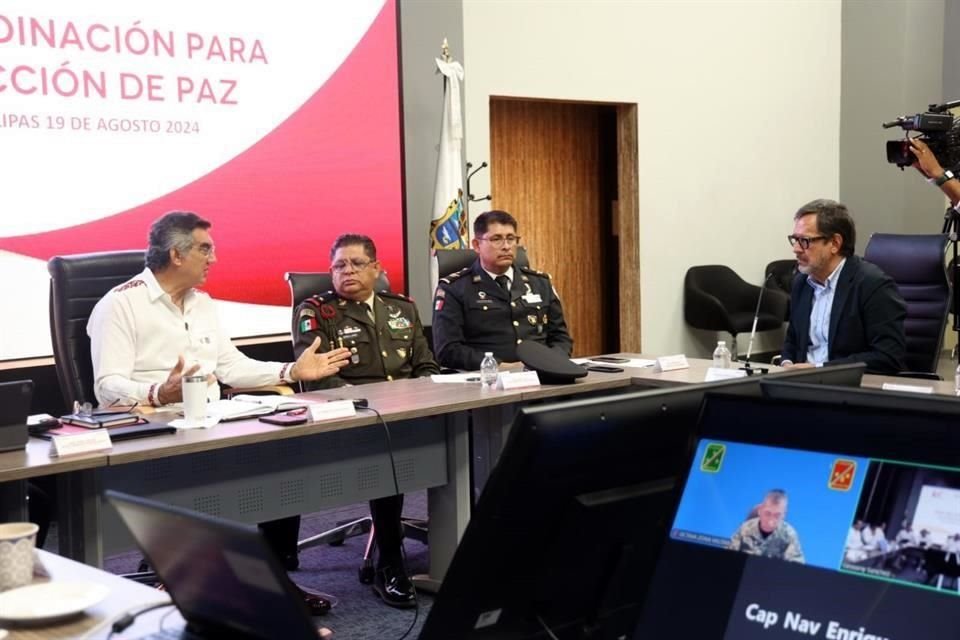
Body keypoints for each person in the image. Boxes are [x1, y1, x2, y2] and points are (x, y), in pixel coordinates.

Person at [87, 211, 351, 574]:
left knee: (284, 455)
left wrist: (291, 370)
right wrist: (158, 393)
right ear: (176, 255)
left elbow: (229, 365)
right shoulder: (119, 304)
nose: (214, 259)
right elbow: (106, 387)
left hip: (211, 423)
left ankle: (277, 576)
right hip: (156, 431)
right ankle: (185, 576)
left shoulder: (202, 302)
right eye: (205, 249)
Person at [293, 233, 439, 608]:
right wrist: (373, 408)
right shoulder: (317, 311)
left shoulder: (402, 308)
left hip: (412, 410)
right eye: (339, 265)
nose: (348, 271)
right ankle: (390, 562)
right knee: (389, 455)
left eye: (357, 263)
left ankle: (458, 546)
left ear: (377, 269)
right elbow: (319, 377)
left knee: (458, 441)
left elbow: (425, 364)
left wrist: (424, 398)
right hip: (352, 418)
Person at [431, 209, 573, 370]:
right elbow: (448, 350)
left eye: (511, 239)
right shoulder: (454, 288)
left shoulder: (540, 283)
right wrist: (500, 366)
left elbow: (561, 338)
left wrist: (551, 363)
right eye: (497, 239)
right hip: (486, 380)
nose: (506, 247)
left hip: (542, 375)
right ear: (477, 245)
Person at [779, 199, 907, 374]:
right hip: (803, 385)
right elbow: (792, 340)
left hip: (850, 387)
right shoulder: (802, 283)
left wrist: (819, 369)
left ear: (835, 243)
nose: (796, 249)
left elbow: (887, 357)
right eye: (794, 239)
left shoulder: (872, 284)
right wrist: (786, 364)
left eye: (804, 241)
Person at [729, 489, 805, 563]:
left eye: (777, 515)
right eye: (767, 513)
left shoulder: (789, 535)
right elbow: (729, 557)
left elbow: (796, 568)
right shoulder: (745, 529)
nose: (771, 521)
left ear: (784, 515)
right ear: (760, 511)